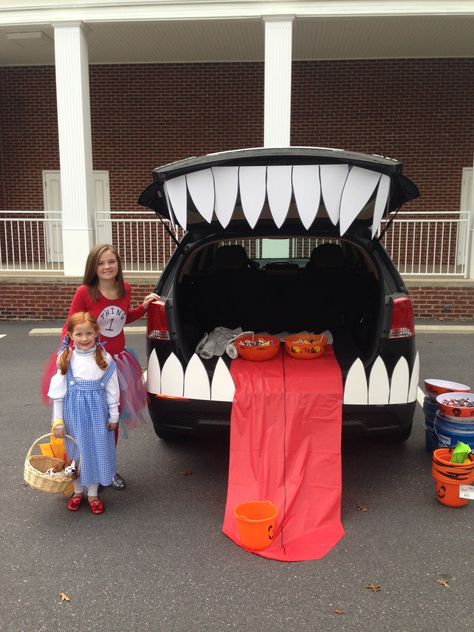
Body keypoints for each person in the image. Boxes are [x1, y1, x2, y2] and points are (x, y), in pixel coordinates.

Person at [44, 243, 159, 490]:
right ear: (94, 267)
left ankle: (109, 467)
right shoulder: (86, 292)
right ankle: (82, 468)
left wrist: (143, 309)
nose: (107, 267)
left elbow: (120, 317)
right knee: (86, 421)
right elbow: (70, 325)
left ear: (118, 264)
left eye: (111, 262)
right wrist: (67, 351)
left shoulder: (125, 288)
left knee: (111, 419)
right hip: (91, 361)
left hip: (117, 362)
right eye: (101, 263)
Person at [48, 312, 120, 514]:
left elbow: (112, 389)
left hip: (98, 414)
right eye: (79, 334)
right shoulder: (66, 359)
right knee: (76, 451)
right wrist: (58, 421)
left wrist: (113, 415)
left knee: (97, 450)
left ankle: (93, 493)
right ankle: (77, 490)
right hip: (74, 415)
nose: (85, 338)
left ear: (97, 333)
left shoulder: (104, 358)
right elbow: (59, 394)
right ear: (70, 335)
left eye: (89, 333)